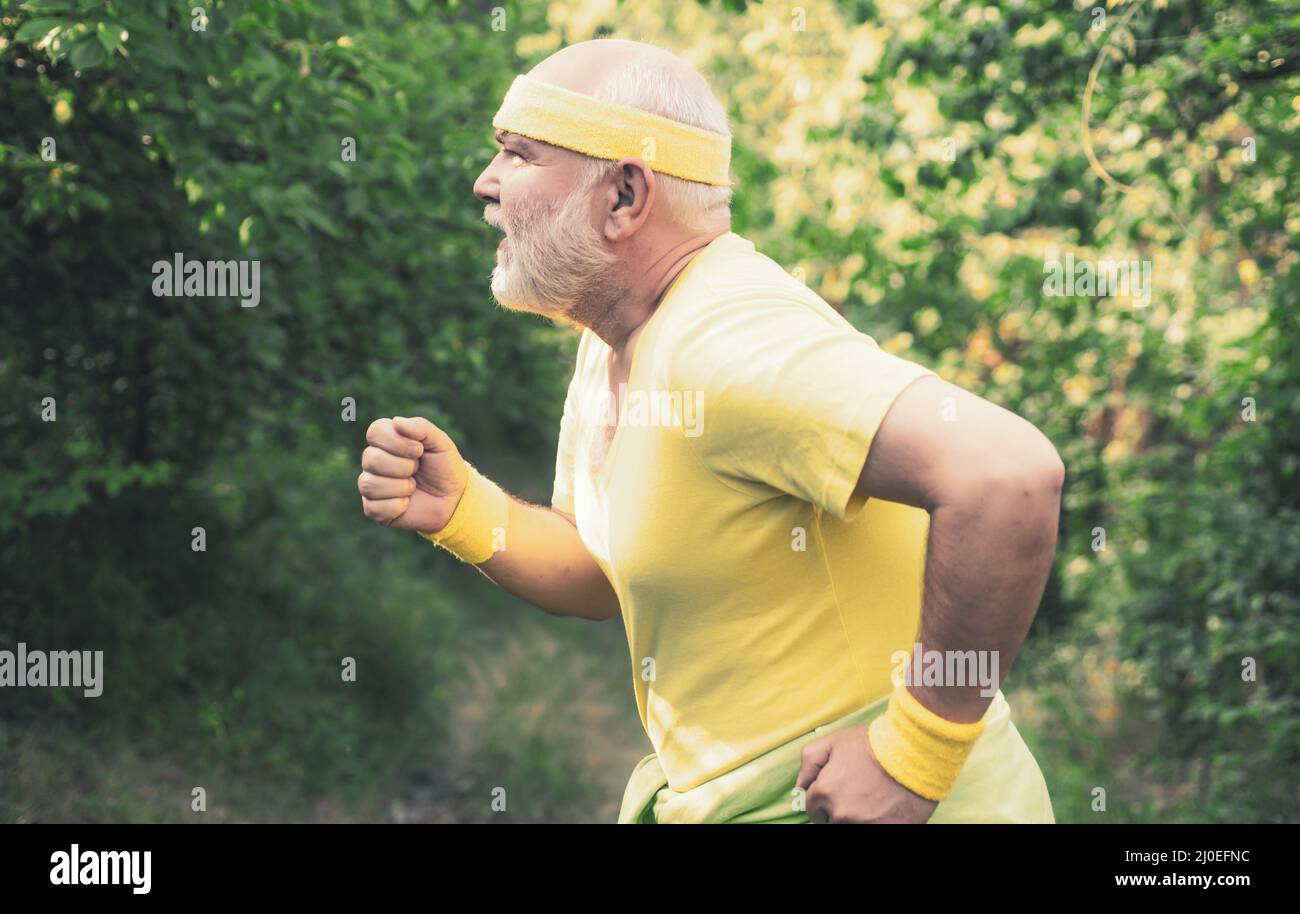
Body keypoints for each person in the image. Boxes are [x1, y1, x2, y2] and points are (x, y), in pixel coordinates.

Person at [357, 38, 1063, 824]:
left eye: (518, 156)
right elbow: (605, 571)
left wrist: (916, 755)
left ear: (624, 196)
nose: (483, 184)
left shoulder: (725, 342)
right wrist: (466, 512)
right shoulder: (614, 338)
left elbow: (1009, 476)